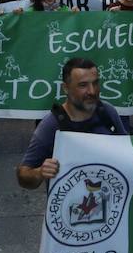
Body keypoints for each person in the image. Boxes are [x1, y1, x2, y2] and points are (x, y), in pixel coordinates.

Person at [17, 57, 127, 189]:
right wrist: (40, 172)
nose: (92, 91)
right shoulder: (51, 125)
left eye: (95, 83)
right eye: (83, 85)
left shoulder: (107, 112)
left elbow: (129, 153)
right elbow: (23, 176)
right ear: (66, 88)